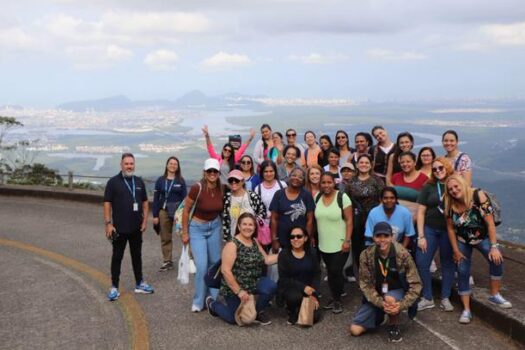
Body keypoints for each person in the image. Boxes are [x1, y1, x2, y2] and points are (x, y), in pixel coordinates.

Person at [444, 174, 512, 324]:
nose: (454, 190)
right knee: (462, 271)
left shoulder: (478, 195)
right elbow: (450, 229)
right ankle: (466, 310)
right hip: (462, 240)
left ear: (462, 184)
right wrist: (456, 250)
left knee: (497, 259)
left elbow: (490, 222)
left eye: (456, 186)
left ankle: (494, 295)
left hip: (483, 237)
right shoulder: (449, 203)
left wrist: (494, 247)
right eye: (450, 189)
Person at [349, 222, 422, 343]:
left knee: (389, 298)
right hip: (377, 294)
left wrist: (401, 306)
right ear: (373, 237)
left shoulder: (403, 254)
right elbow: (365, 286)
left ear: (392, 237)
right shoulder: (366, 255)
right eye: (378, 236)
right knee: (355, 330)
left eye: (386, 236)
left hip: (397, 292)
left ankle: (393, 325)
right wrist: (381, 303)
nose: (382, 240)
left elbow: (416, 285)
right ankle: (381, 315)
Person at [207, 213, 278, 325]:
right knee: (234, 319)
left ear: (254, 227)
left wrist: (285, 255)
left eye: (251, 225)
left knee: (271, 286)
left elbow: (267, 260)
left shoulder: (254, 241)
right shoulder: (232, 244)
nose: (247, 227)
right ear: (239, 226)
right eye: (244, 224)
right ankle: (213, 304)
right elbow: (225, 271)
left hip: (253, 282)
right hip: (234, 287)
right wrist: (239, 291)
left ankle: (257, 312)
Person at [104, 153, 154, 301]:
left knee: (137, 256)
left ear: (134, 165)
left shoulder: (138, 182)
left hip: (136, 228)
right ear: (121, 165)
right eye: (126, 164)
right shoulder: (113, 182)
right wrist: (108, 224)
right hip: (118, 229)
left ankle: (139, 283)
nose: (129, 166)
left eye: (131, 163)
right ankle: (114, 287)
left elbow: (145, 203)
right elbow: (107, 203)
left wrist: (145, 221)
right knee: (117, 257)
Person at [181, 158, 224, 312]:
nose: (212, 174)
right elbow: (186, 210)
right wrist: (185, 232)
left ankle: (212, 297)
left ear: (219, 173)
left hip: (214, 226)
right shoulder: (196, 188)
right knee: (201, 265)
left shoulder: (222, 188)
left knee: (215, 263)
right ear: (204, 173)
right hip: (197, 228)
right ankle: (198, 300)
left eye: (215, 171)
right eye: (209, 171)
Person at [415, 156, 455, 312]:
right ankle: (427, 297)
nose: (438, 171)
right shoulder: (429, 186)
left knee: (447, 263)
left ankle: (445, 297)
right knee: (422, 261)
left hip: (449, 231)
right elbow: (421, 212)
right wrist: (421, 236)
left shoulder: (454, 184)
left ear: (447, 167)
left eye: (441, 168)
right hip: (430, 229)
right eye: (434, 169)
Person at [315, 172, 353, 314]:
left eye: (329, 182)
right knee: (331, 272)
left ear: (334, 183)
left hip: (340, 243)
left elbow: (349, 221)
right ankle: (337, 292)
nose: (326, 185)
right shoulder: (317, 197)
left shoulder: (342, 197)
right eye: (323, 182)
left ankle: (337, 300)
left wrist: (347, 240)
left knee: (334, 271)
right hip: (324, 244)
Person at [345, 154, 384, 269]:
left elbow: (383, 198)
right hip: (356, 219)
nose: (364, 165)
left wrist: (377, 214)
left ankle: (375, 273)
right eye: (361, 162)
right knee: (358, 247)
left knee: (373, 245)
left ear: (371, 165)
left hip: (373, 218)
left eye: (366, 163)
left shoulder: (377, 180)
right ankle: (361, 273)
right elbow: (347, 200)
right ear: (357, 165)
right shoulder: (351, 181)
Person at [278, 226, 321, 325]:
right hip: (291, 288)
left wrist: (314, 295)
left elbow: (317, 274)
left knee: (314, 318)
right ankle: (292, 311)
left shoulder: (312, 253)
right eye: (292, 237)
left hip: (309, 289)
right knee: (294, 297)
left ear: (305, 238)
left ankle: (301, 308)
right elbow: (284, 279)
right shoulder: (284, 254)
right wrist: (303, 287)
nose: (295, 239)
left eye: (299, 236)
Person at [152, 156, 187, 272]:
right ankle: (167, 261)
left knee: (184, 236)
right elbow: (156, 198)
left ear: (178, 167)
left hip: (178, 212)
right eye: (171, 163)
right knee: (165, 237)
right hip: (164, 211)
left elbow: (185, 199)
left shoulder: (181, 181)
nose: (173, 165)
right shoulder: (160, 180)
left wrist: (185, 214)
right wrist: (155, 215)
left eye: (175, 164)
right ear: (167, 165)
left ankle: (188, 259)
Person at [270, 168, 315, 252]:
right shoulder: (278, 194)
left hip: (300, 241)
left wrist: (306, 239)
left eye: (300, 177)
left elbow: (310, 220)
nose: (296, 178)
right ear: (289, 177)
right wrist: (274, 239)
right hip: (282, 240)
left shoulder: (307, 195)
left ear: (303, 181)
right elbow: (273, 219)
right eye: (294, 175)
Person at [222, 169, 266, 241]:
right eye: (231, 180)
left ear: (243, 181)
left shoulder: (252, 196)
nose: (233, 182)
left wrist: (253, 223)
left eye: (236, 180)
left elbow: (262, 211)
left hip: (252, 237)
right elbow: (225, 219)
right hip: (234, 237)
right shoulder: (227, 197)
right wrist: (227, 239)